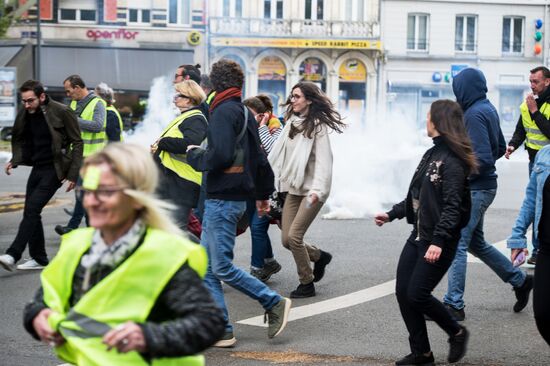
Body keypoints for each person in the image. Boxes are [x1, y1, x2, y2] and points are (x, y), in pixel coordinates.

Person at [23, 143, 225, 365]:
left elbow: (209, 323)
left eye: (106, 192)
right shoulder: (77, 245)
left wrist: (147, 337)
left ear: (137, 198)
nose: (91, 201)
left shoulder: (162, 254)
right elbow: (42, 300)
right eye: (87, 191)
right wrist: (38, 316)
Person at [187, 59, 291, 347]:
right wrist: (262, 195)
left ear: (213, 84)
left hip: (222, 198)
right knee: (207, 267)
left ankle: (273, 302)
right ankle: (222, 329)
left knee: (219, 267)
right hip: (234, 198)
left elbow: (218, 156)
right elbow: (259, 159)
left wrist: (195, 155)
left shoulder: (222, 112)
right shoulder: (244, 111)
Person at [375, 100, 475, 365]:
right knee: (403, 292)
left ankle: (456, 332)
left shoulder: (452, 161)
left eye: (429, 116)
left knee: (417, 293)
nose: (425, 120)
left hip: (438, 241)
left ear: (439, 121)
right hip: (419, 236)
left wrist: (439, 241)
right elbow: (417, 195)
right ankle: (422, 353)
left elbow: (453, 207)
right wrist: (392, 214)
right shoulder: (432, 154)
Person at [442, 68, 533, 321]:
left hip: (476, 189)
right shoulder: (487, 107)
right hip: (484, 186)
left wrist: (460, 178)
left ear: (465, 89)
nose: (456, 93)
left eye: (458, 88)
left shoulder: (474, 114)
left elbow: (481, 157)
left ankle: (454, 304)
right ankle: (520, 281)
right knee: (475, 243)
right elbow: (498, 148)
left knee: (457, 242)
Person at [268, 82, 344, 298]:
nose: (293, 100)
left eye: (297, 96)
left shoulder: (317, 127)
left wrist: (318, 191)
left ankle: (306, 282)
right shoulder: (291, 123)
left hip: (313, 192)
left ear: (309, 100)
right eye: (292, 96)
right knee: (286, 240)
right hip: (293, 188)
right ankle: (319, 257)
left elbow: (324, 162)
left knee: (294, 237)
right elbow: (282, 158)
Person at [0, 80, 82, 271]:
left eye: (30, 100)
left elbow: (77, 142)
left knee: (32, 209)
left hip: (54, 170)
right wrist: (15, 159)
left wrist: (72, 174)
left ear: (42, 96)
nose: (27, 105)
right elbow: (20, 137)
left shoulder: (62, 111)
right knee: (31, 210)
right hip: (37, 167)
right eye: (24, 101)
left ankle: (13, 254)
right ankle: (39, 258)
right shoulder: (26, 112)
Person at [505, 66, 550, 265]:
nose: (532, 85)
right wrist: (513, 144)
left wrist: (535, 111)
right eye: (530, 81)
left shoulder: (538, 105)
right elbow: (521, 129)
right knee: (534, 203)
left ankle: (540, 249)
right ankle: (537, 249)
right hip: (535, 162)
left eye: (536, 81)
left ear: (547, 81)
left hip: (548, 164)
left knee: (540, 205)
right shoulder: (528, 103)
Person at [151, 80, 207, 233]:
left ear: (188, 98)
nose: (174, 98)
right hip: (173, 183)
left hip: (182, 184)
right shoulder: (185, 116)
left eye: (178, 95)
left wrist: (163, 142)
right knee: (171, 230)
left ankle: (200, 256)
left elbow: (190, 144)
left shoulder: (196, 119)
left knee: (177, 231)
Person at [507, 144, 550, 345]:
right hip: (547, 248)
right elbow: (531, 199)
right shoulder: (545, 154)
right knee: (543, 314)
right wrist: (518, 236)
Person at [55, 75, 107, 236]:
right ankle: (86, 229)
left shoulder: (98, 103)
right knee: (82, 194)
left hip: (93, 158)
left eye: (69, 91)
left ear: (78, 87)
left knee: (85, 194)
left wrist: (73, 120)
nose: (68, 94)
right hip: (78, 156)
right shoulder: (73, 103)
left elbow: (97, 126)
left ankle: (82, 229)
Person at [242, 95, 283, 281]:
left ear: (263, 115)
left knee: (259, 226)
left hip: (270, 185)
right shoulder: (250, 127)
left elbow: (271, 149)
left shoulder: (276, 127)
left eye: (251, 114)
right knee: (255, 226)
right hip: (252, 183)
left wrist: (262, 127)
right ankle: (269, 261)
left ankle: (257, 268)